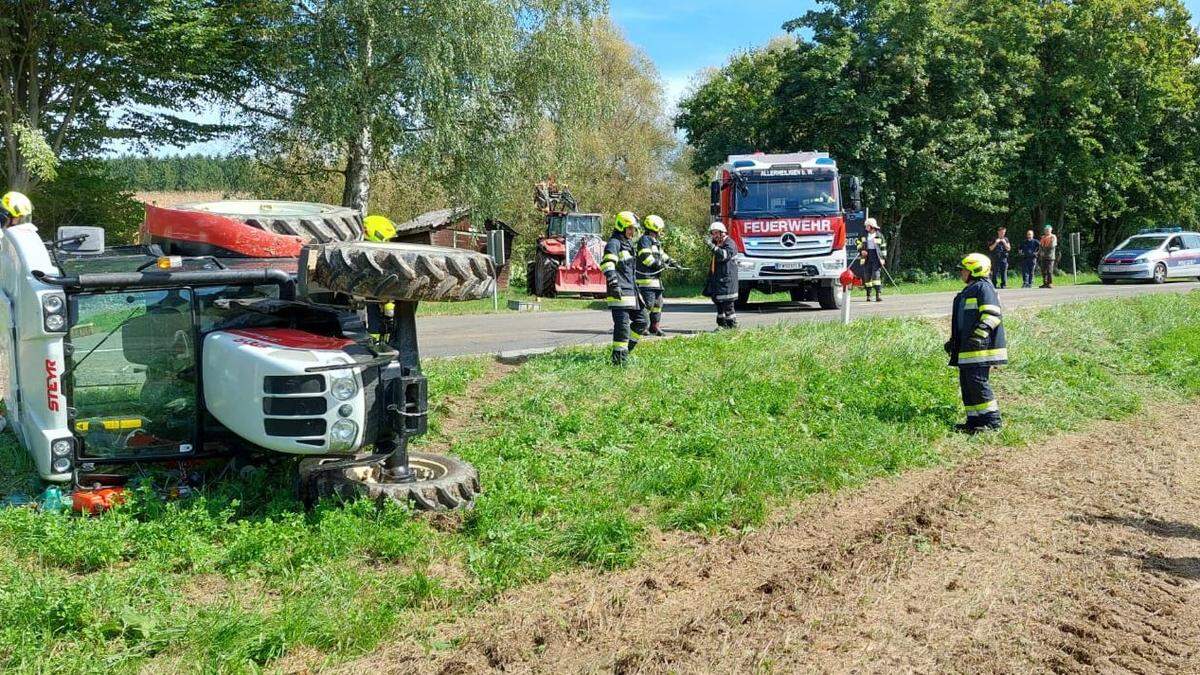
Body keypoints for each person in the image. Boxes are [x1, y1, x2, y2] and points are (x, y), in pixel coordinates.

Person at [944, 253, 1007, 434]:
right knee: (967, 384)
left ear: (974, 270)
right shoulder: (971, 289)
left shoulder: (983, 288)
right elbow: (964, 322)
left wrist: (978, 337)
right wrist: (954, 342)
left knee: (978, 384)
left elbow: (992, 315)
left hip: (980, 350)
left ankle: (992, 422)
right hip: (968, 350)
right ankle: (974, 421)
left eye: (964, 269)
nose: (961, 273)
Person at [600, 211, 648, 365]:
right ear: (621, 226)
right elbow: (607, 263)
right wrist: (613, 282)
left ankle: (625, 350)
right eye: (629, 228)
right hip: (619, 291)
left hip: (631, 291)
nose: (632, 232)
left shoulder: (628, 244)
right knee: (622, 327)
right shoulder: (614, 243)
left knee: (642, 321)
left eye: (633, 229)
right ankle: (619, 360)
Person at [636, 214, 675, 336]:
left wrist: (672, 262)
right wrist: (661, 264)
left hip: (656, 280)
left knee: (658, 304)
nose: (661, 231)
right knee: (648, 305)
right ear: (655, 227)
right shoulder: (645, 240)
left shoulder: (655, 241)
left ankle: (655, 327)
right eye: (660, 229)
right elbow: (646, 259)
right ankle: (642, 327)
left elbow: (661, 255)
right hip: (646, 280)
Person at [703, 222, 739, 329]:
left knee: (728, 305)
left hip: (727, 281)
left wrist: (712, 247)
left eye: (715, 233)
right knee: (719, 303)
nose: (713, 236)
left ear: (722, 233)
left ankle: (732, 327)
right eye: (712, 233)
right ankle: (722, 326)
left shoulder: (730, 243)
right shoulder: (718, 244)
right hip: (718, 280)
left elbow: (724, 255)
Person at [857, 218, 886, 302]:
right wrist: (861, 250)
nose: (866, 227)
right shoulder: (863, 234)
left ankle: (878, 294)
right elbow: (858, 243)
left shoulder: (879, 235)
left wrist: (883, 259)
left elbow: (883, 248)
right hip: (866, 258)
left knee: (876, 276)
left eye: (867, 225)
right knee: (867, 277)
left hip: (877, 258)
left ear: (871, 226)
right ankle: (868, 295)